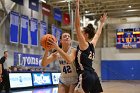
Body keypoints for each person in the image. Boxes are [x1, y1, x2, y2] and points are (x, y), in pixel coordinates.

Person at [74, 0, 107, 93]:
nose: (80, 33)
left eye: (82, 32)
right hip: (94, 76)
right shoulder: (92, 44)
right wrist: (102, 23)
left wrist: (77, 7)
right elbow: (98, 34)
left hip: (85, 75)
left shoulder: (83, 44)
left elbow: (76, 26)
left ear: (86, 35)